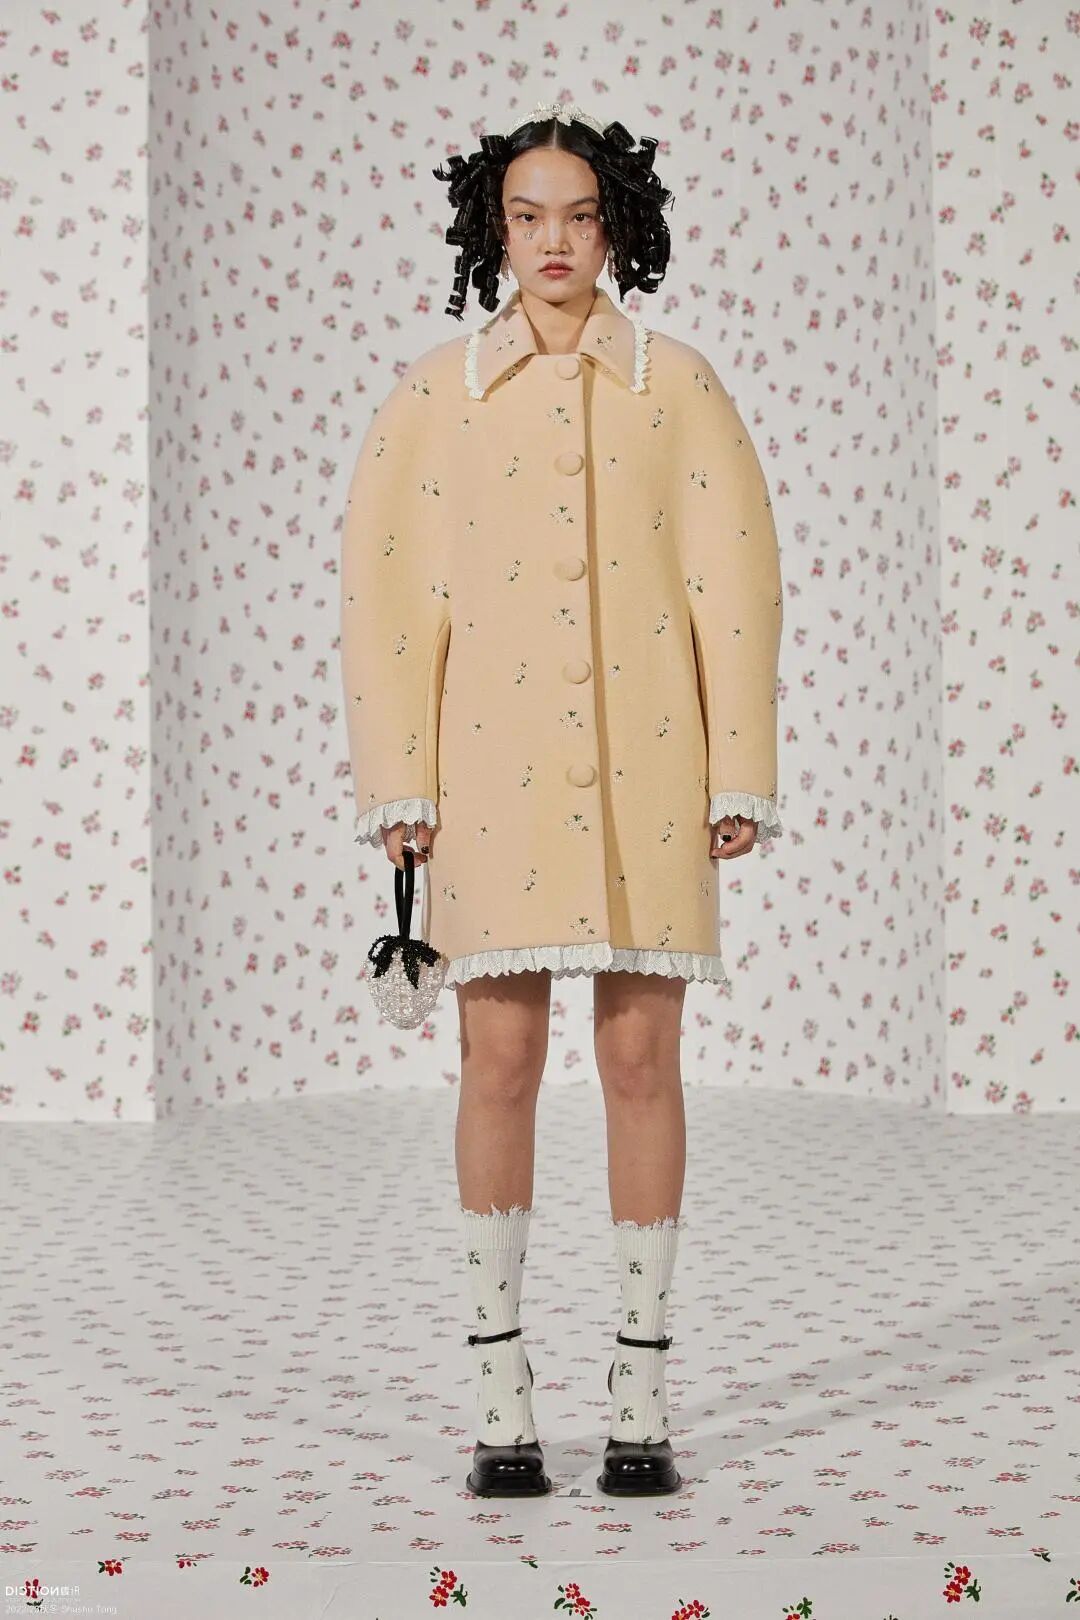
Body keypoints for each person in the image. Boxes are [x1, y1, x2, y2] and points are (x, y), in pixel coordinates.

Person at [339, 100, 783, 1500]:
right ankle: (502, 1401)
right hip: (488, 775)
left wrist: (738, 766)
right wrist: (398, 781)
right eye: (527, 216)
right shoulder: (435, 398)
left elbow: (735, 584)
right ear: (493, 230)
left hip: (654, 768)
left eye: (578, 216)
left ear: (614, 227)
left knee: (643, 1062)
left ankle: (640, 1398)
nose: (553, 241)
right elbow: (388, 603)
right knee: (499, 1063)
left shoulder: (680, 385)